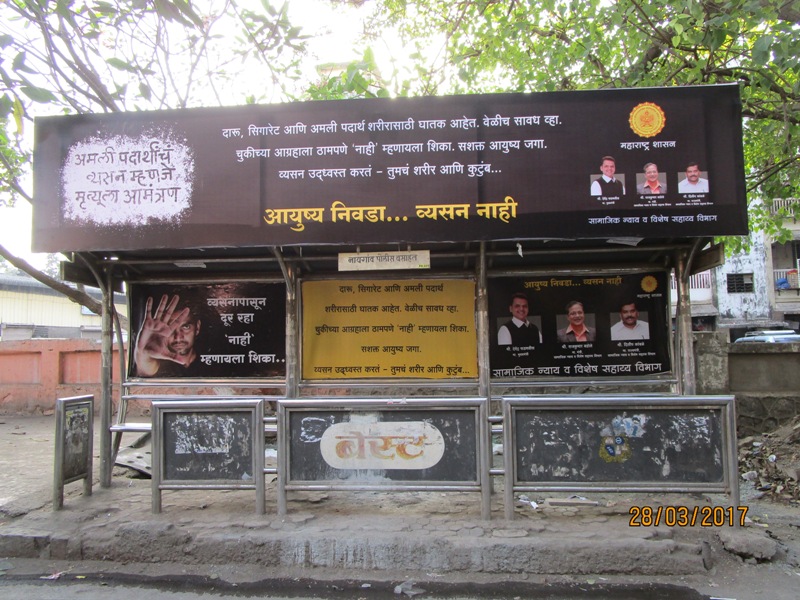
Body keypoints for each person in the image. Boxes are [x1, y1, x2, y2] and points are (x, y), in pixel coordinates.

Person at [133, 293, 204, 377]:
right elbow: (144, 372)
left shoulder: (210, 360)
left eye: (186, 327)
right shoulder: (156, 360)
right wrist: (143, 353)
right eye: (171, 328)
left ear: (198, 327)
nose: (178, 337)